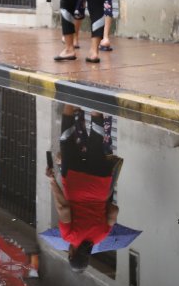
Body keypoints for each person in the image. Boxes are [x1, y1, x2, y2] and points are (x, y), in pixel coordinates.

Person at [46, 104, 122, 273]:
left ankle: (94, 100)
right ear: (72, 254)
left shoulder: (101, 236)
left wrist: (102, 204)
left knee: (96, 138)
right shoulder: (69, 236)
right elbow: (64, 209)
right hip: (75, 182)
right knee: (67, 137)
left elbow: (113, 211)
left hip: (100, 184)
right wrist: (52, 181)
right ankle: (71, 97)